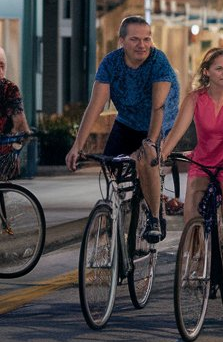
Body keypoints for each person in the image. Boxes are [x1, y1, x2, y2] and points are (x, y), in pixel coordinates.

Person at [67, 16, 179, 243]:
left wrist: (149, 142)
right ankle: (121, 208)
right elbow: (94, 107)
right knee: (111, 165)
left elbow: (158, 107)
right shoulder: (111, 63)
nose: (142, 45)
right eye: (135, 39)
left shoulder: (158, 62)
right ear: (122, 41)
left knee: (146, 159)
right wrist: (77, 146)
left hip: (159, 121)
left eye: (147, 39)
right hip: (127, 120)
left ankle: (155, 217)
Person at [160, 48, 223, 282]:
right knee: (191, 212)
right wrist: (162, 155)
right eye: (219, 68)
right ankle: (198, 259)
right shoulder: (195, 98)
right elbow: (178, 130)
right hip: (204, 160)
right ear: (207, 72)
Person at [0, 46, 33, 181]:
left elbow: (18, 118)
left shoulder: (9, 89)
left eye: (2, 66)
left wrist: (24, 132)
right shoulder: (9, 88)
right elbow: (18, 120)